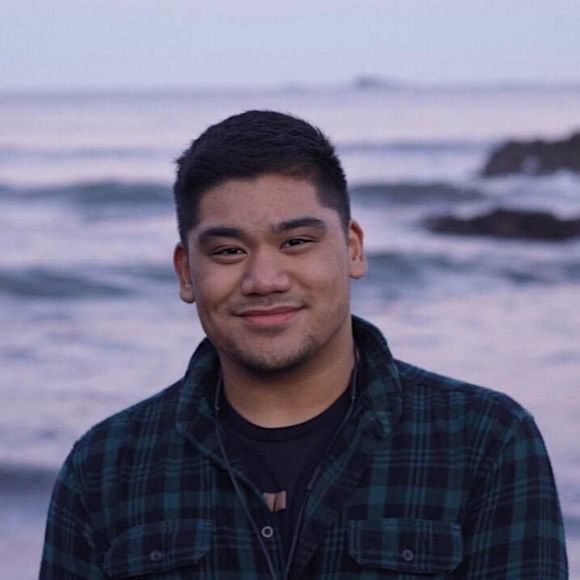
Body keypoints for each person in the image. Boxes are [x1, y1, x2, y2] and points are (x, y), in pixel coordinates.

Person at [40, 110, 567, 579]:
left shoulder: (484, 441)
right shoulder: (105, 467)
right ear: (185, 272)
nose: (264, 279)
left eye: (296, 242)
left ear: (353, 249)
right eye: (228, 251)